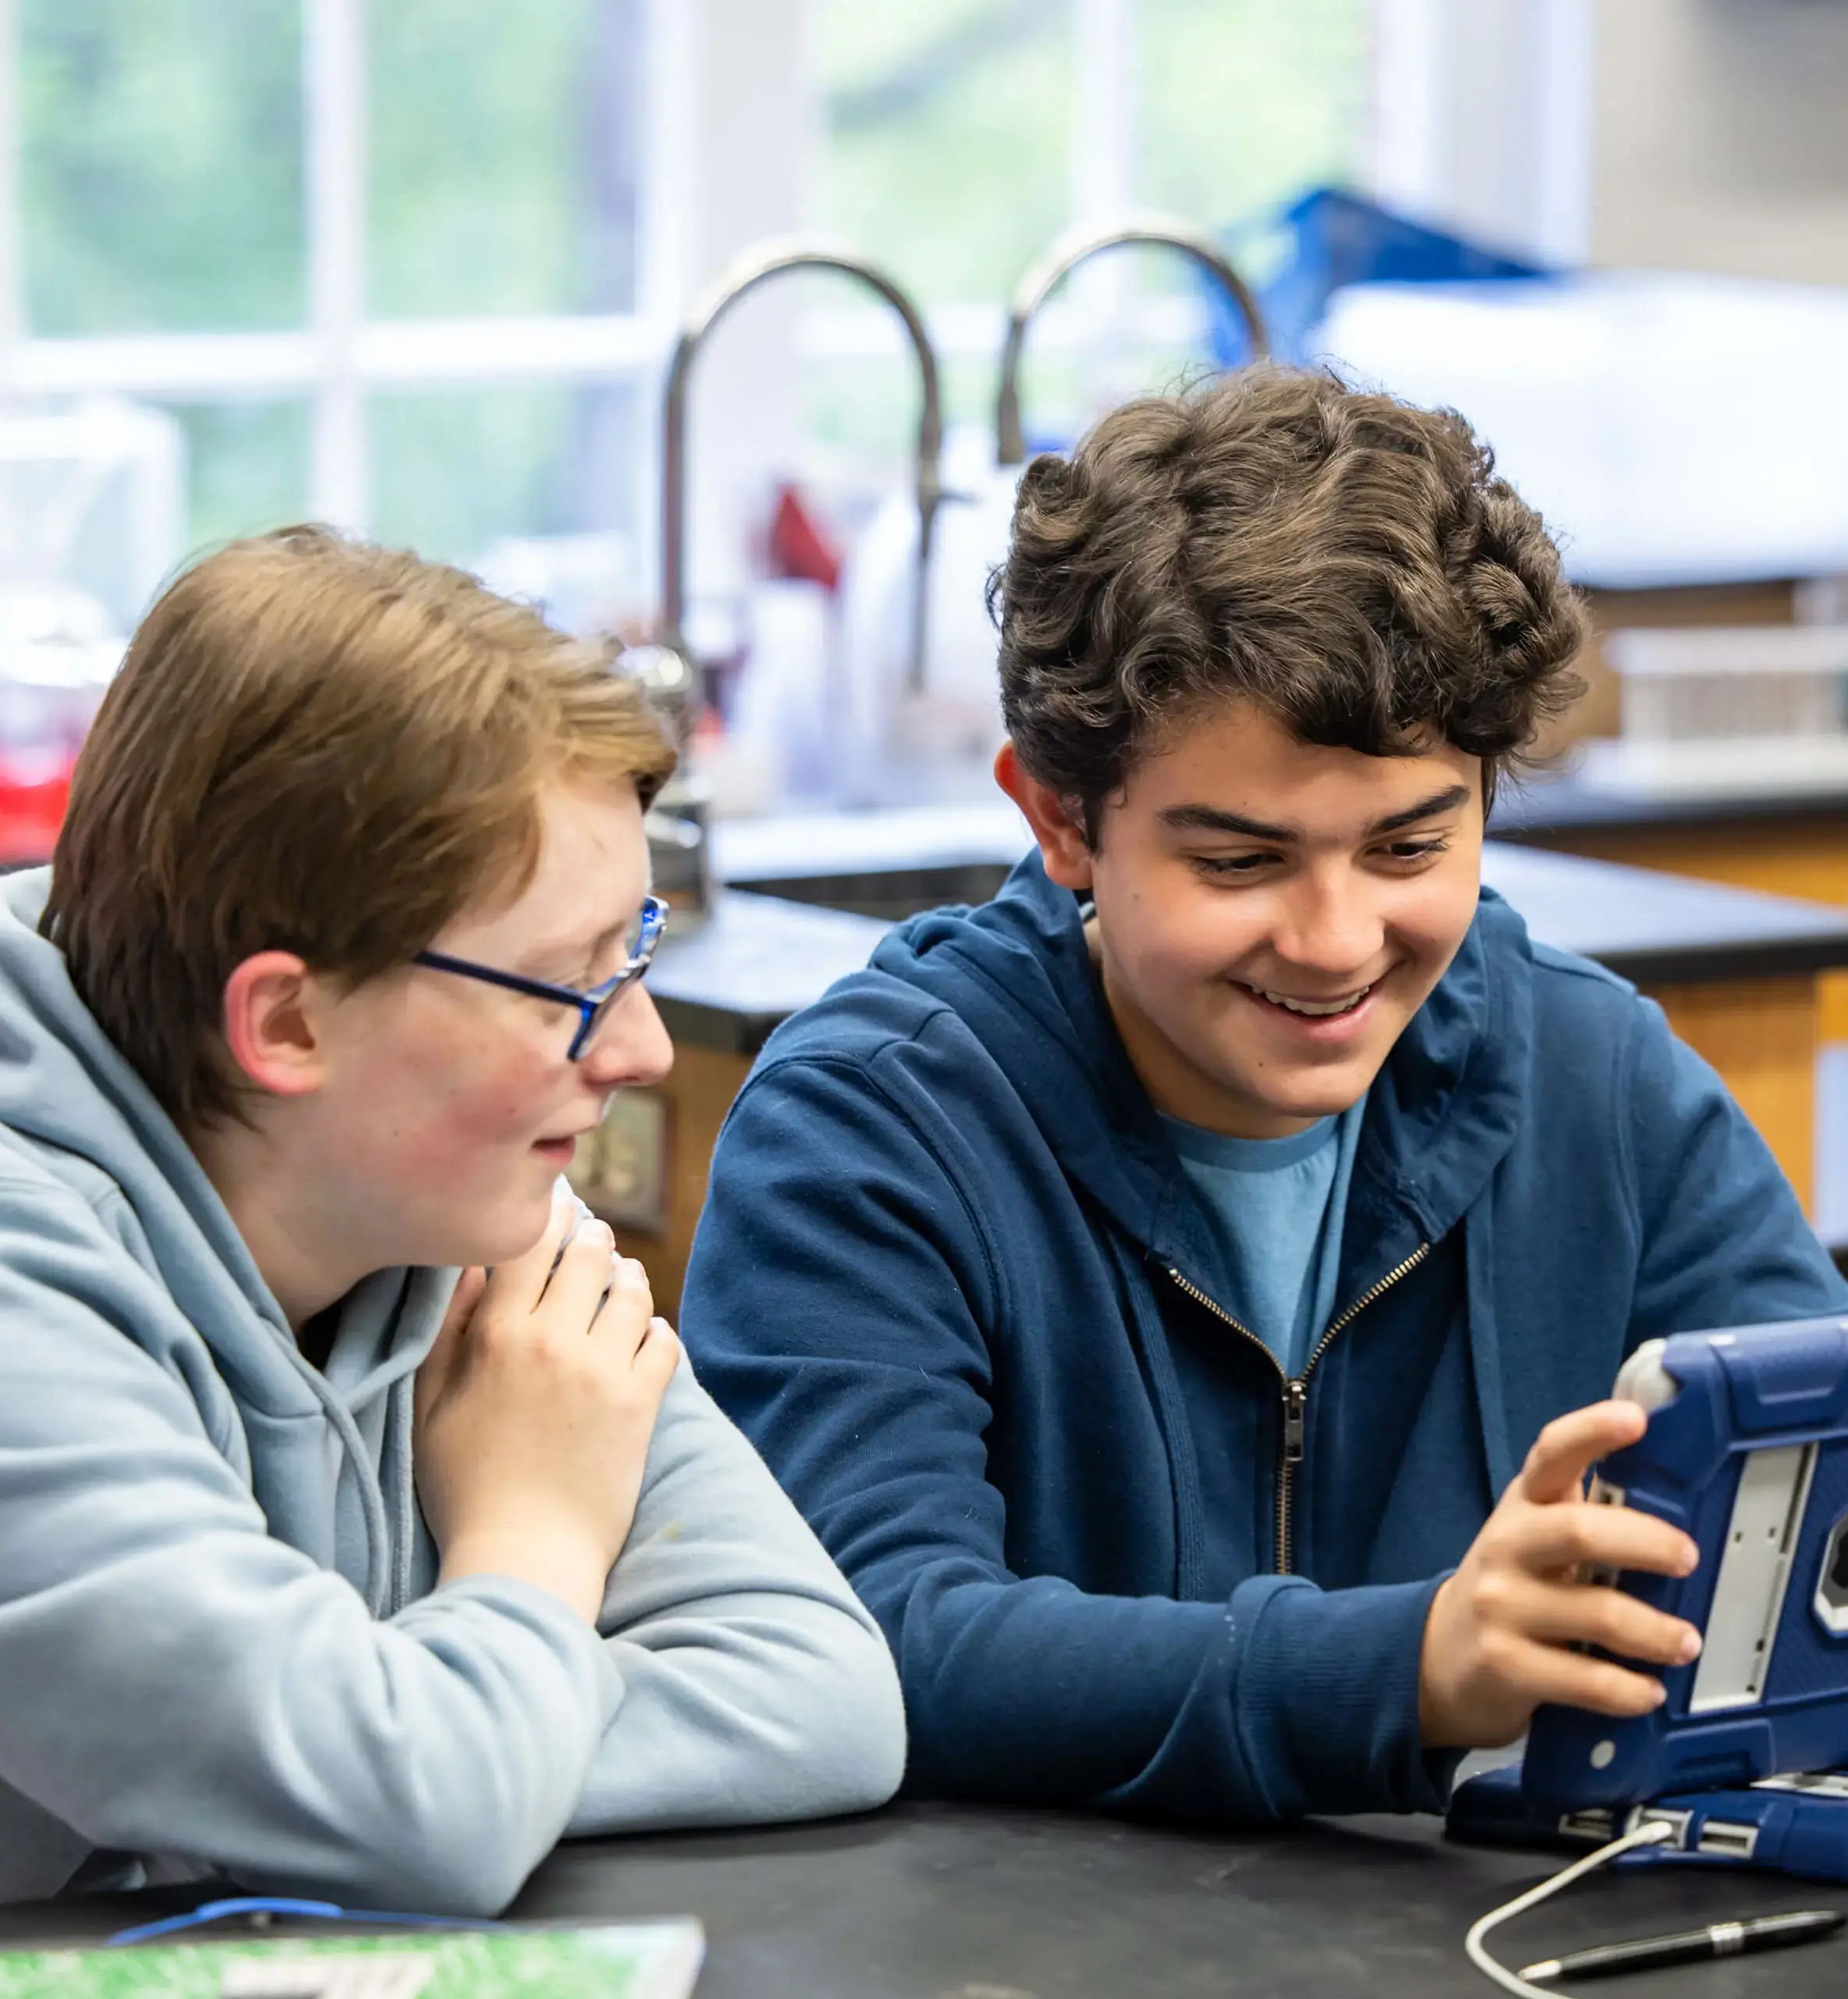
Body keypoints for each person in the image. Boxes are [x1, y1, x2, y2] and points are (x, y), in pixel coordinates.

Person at [681, 367, 1847, 1823]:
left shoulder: (1597, 1081)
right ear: (1058, 815)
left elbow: (1814, 1504)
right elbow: (874, 1637)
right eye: (1237, 862)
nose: (1334, 941)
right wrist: (1408, 1668)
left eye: (1410, 849)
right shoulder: (868, 1125)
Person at [0, 526, 903, 1913]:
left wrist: (419, 1735)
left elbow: (819, 1693)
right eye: (567, 984)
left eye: (634, 954)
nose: (641, 1049)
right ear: (288, 1019)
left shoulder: (456, 1212)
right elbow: (418, 1819)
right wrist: (531, 1535)